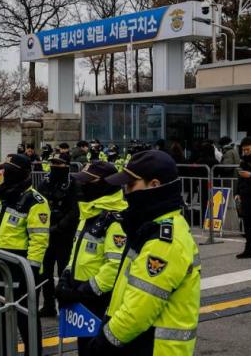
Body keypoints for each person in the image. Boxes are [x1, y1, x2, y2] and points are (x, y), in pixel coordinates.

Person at [89, 150, 201, 355]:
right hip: (141, 343)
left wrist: (106, 340)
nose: (126, 191)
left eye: (131, 185)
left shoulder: (164, 240)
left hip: (155, 348)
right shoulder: (149, 227)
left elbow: (138, 311)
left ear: (154, 185)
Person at [56, 161, 127, 355]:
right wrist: (66, 275)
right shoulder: (90, 212)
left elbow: (115, 265)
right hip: (83, 299)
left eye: (88, 182)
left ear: (104, 185)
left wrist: (84, 291)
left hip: (100, 301)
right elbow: (77, 252)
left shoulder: (115, 221)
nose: (82, 186)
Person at [0, 153, 50, 355]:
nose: (4, 174)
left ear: (21, 173)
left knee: (25, 318)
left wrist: (31, 270)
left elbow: (39, 240)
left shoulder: (36, 201)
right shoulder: (0, 195)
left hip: (19, 267)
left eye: (9, 170)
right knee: (1, 315)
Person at [37, 155, 79, 318]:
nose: (54, 166)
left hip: (65, 236)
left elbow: (75, 211)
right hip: (47, 236)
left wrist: (58, 227)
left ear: (67, 165)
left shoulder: (73, 184)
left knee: (64, 273)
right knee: (45, 273)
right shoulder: (45, 182)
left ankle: (64, 307)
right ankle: (48, 305)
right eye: (52, 163)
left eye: (58, 164)